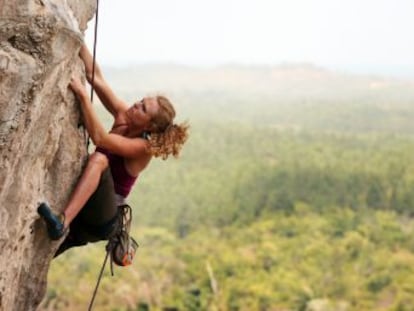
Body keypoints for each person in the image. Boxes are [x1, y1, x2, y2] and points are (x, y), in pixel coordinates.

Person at [38, 44, 189, 255]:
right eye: (141, 101)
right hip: (87, 208)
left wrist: (83, 97)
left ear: (150, 126)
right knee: (42, 254)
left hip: (103, 217)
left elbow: (100, 138)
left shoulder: (144, 149)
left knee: (99, 160)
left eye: (143, 108)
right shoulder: (123, 115)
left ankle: (61, 223)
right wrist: (77, 39)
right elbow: (95, 76)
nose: (136, 104)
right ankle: (63, 228)